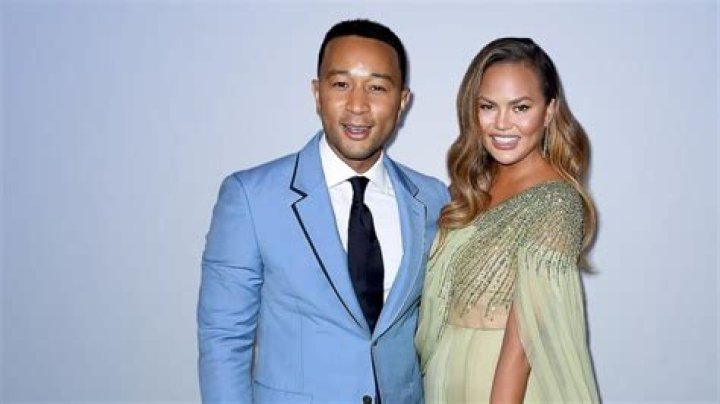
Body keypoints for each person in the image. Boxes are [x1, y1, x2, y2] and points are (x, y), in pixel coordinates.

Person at [198, 19, 449, 403]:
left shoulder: (433, 199)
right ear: (317, 93)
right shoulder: (250, 198)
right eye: (341, 84)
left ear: (402, 101)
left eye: (377, 87)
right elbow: (223, 339)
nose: (357, 105)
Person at [415, 37, 600, 403]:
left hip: (500, 383)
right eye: (488, 106)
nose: (502, 124)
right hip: (444, 374)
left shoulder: (556, 201)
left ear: (549, 111)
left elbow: (522, 346)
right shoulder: (473, 186)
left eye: (520, 107)